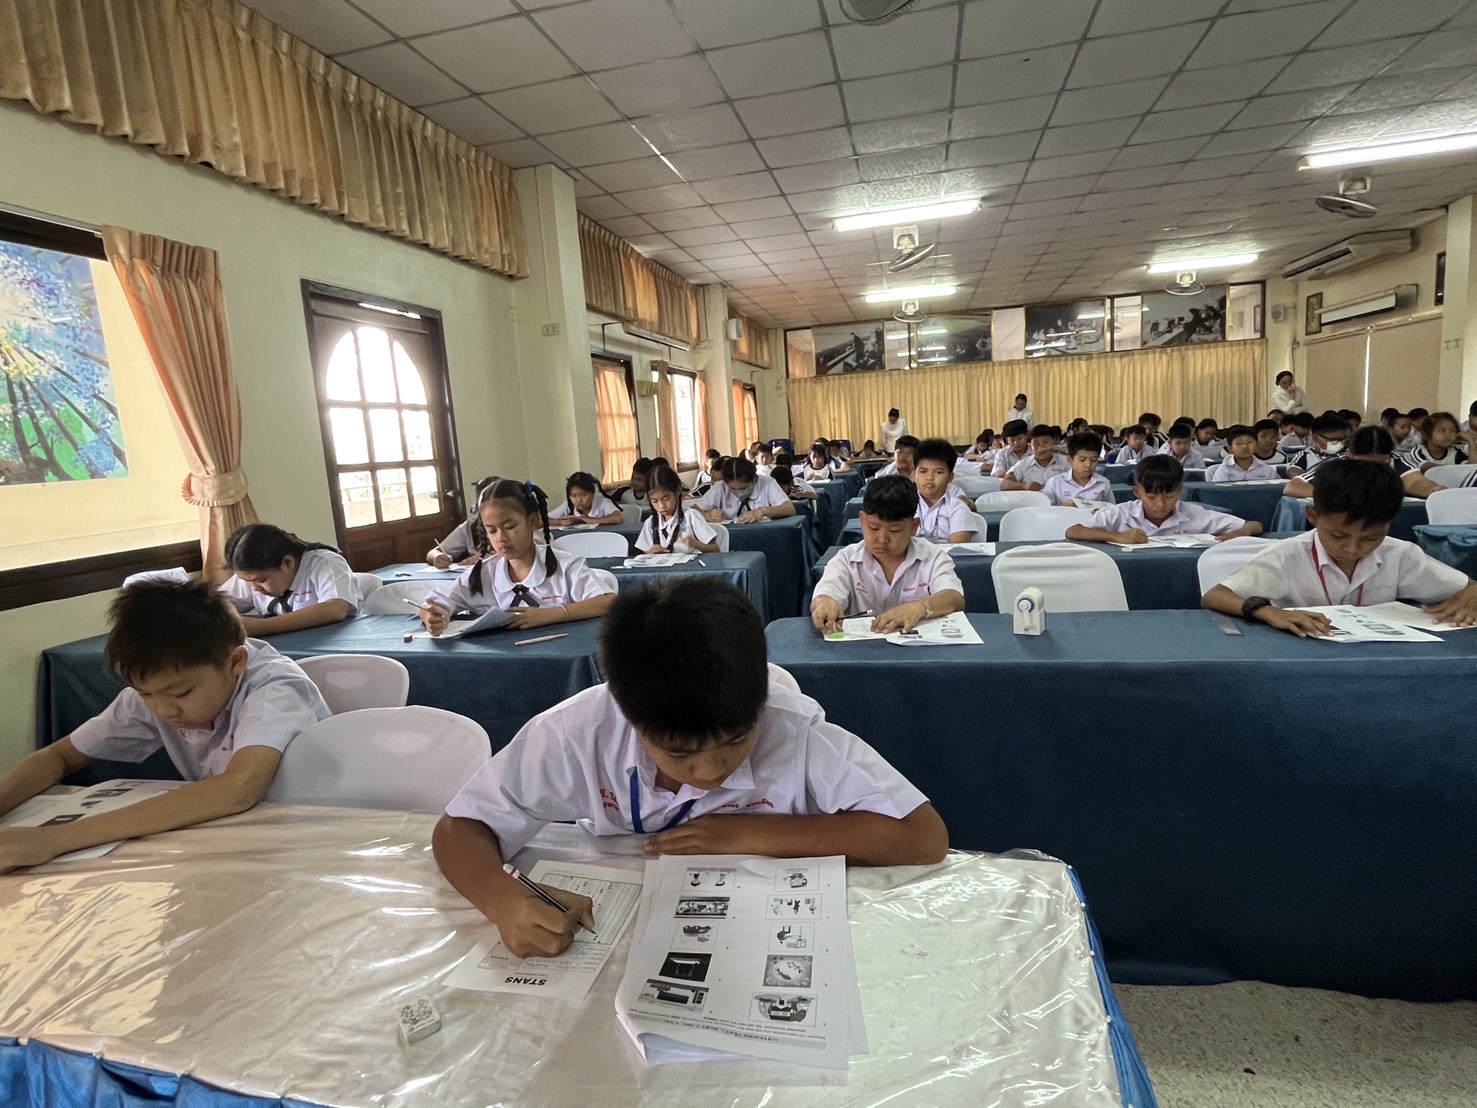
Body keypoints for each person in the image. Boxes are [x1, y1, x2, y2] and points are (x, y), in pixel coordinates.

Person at [432, 578, 950, 956]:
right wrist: (500, 898)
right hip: (626, 910)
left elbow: (923, 835)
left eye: (736, 740)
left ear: (760, 704)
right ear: (628, 717)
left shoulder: (793, 731)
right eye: (679, 753)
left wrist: (746, 835)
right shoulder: (576, 733)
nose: (709, 771)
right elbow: (461, 827)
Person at [0, 580, 329, 872]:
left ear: (235, 662)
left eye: (182, 693)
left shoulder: (275, 690)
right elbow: (59, 757)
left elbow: (238, 788)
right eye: (145, 694)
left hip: (313, 837)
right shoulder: (160, 692)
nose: (163, 709)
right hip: (240, 839)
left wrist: (56, 839)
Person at [1204, 460, 1477, 636]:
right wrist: (1268, 611)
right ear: (1313, 516)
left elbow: (1467, 587)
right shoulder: (1287, 556)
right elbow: (1215, 596)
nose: (1353, 548)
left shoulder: (1400, 554)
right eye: (1338, 535)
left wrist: (1472, 593)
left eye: (1371, 538)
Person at [419, 480, 617, 637]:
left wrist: (553, 614)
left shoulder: (565, 566)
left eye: (510, 527)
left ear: (533, 521)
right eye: (492, 530)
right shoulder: (482, 573)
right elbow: (434, 603)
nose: (501, 538)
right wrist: (433, 615)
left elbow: (608, 602)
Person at [811, 476, 965, 634]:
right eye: (874, 528)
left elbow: (954, 597)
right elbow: (826, 592)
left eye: (894, 530)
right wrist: (825, 603)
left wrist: (920, 607)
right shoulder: (846, 559)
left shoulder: (933, 556)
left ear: (914, 527)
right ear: (862, 520)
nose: (882, 539)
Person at [1065, 456, 1262, 544]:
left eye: (1169, 496)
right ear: (1137, 492)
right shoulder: (1120, 514)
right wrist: (1116, 536)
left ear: (1180, 490)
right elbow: (1073, 531)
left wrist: (1240, 533)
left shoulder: (1194, 514)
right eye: (1151, 497)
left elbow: (1255, 525)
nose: (1160, 504)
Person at [219, 524, 360, 636]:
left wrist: (260, 627)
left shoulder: (324, 563)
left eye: (261, 580)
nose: (254, 588)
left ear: (288, 563)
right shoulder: (252, 575)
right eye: (246, 581)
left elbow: (336, 608)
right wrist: (230, 617)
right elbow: (218, 605)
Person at [639, 464, 721, 554]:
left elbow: (716, 549)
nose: (661, 506)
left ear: (678, 490)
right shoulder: (650, 523)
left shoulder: (691, 516)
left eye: (666, 499)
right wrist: (650, 552)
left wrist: (697, 545)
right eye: (655, 501)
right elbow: (644, 554)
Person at [912, 438, 978, 543]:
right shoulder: (902, 506)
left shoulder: (958, 508)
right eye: (923, 471)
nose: (929, 477)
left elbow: (957, 549)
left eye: (938, 472)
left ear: (950, 477)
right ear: (914, 474)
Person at [697, 456, 796, 525]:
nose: (738, 492)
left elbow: (789, 508)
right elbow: (695, 510)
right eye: (733, 489)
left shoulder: (767, 483)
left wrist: (763, 511)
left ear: (754, 479)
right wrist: (707, 515)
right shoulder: (720, 487)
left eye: (744, 488)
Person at [428, 475, 500, 567]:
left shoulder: (513, 528)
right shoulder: (470, 528)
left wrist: (487, 561)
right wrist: (437, 557)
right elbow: (433, 552)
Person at [1043, 432, 1112, 504]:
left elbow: (1111, 508)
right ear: (1070, 460)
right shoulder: (1055, 483)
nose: (1088, 465)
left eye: (1093, 460)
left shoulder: (1103, 483)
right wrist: (1065, 508)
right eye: (1082, 460)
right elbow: (1045, 509)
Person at [1000, 425, 1068, 491]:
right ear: (1031, 446)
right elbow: (1004, 484)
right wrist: (1024, 486)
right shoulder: (1024, 463)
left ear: (1054, 442)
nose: (1040, 447)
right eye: (1036, 444)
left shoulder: (1066, 461)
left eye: (1045, 442)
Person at [1285, 414, 1351, 480]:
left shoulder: (1348, 455)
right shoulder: (1305, 455)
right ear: (1315, 438)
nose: (1339, 443)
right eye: (1333, 440)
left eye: (1341, 439)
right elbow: (1293, 471)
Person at [548, 471, 622, 527]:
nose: (578, 500)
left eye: (583, 495)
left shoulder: (602, 502)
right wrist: (560, 522)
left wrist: (586, 520)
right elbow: (544, 520)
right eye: (573, 496)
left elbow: (618, 517)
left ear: (592, 493)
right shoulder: (568, 505)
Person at [1206, 426, 1279, 482]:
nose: (1244, 446)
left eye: (1249, 442)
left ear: (1256, 445)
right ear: (1230, 449)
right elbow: (1219, 493)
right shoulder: (1223, 470)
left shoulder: (1267, 470)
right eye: (1238, 443)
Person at [1402, 411, 1468, 471]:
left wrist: (1471, 441)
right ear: (1427, 433)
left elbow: (1469, 470)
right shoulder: (1418, 452)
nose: (1448, 435)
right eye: (1442, 431)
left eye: (1453, 431)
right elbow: (1429, 468)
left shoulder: (1457, 451)